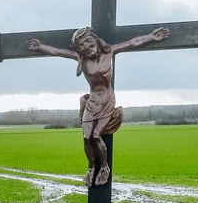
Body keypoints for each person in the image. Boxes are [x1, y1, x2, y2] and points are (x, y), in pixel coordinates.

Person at [27, 26, 169, 186]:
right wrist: (40, 47)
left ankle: (103, 167)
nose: (86, 47)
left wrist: (151, 37)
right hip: (92, 102)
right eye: (81, 45)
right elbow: (58, 52)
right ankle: (92, 167)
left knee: (96, 135)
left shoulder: (110, 52)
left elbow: (132, 42)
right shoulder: (81, 58)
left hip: (107, 100)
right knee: (86, 137)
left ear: (95, 38)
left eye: (88, 41)